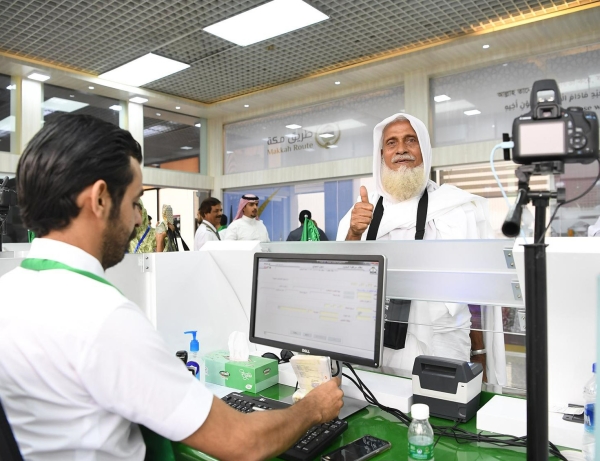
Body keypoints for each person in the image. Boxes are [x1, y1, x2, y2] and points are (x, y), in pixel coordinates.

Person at [0, 114, 344, 460]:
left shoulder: (9, 291)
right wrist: (313, 408)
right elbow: (244, 442)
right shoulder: (103, 318)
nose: (138, 219)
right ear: (100, 198)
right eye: (135, 202)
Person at [336, 113, 505, 385]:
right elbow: (340, 281)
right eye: (392, 143)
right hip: (372, 345)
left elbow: (476, 295)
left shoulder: (456, 209)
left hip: (442, 345)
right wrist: (355, 233)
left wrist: (480, 352)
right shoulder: (360, 212)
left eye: (410, 140)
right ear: (381, 154)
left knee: (444, 422)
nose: (401, 149)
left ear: (423, 149)